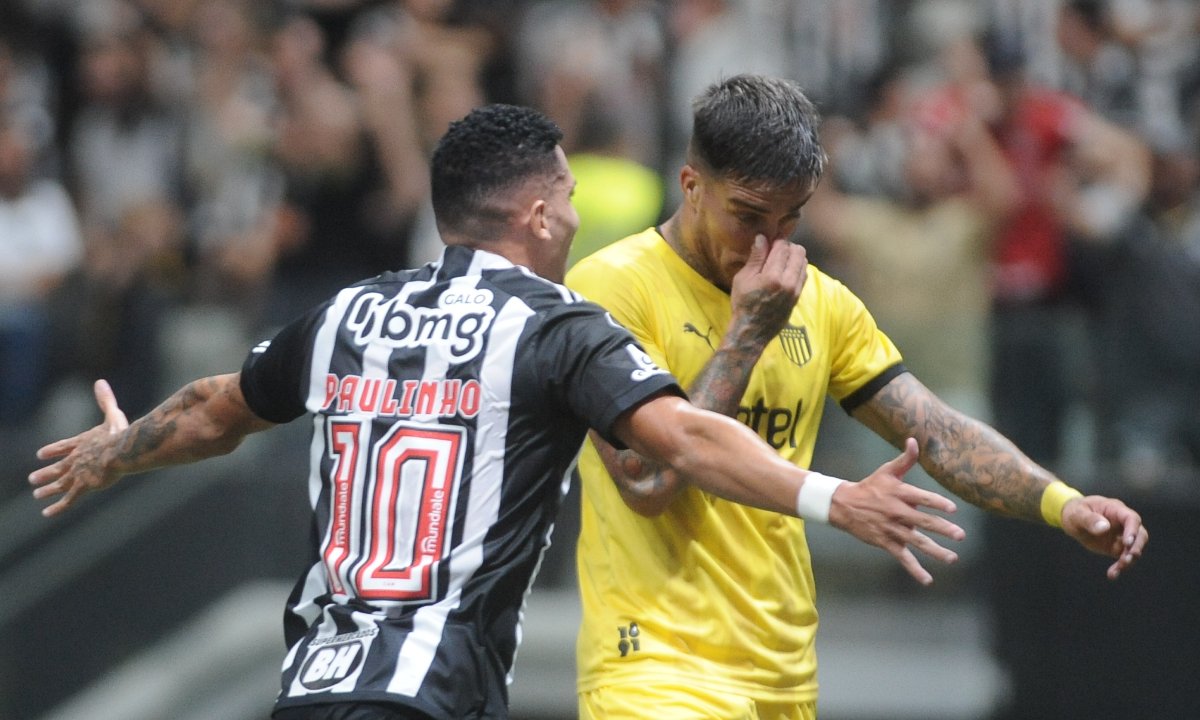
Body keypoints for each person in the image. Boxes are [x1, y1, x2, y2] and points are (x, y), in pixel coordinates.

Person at [29, 104, 969, 720]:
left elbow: (211, 408)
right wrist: (832, 499)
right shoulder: (556, 330)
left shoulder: (348, 312)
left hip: (311, 686)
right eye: (565, 194)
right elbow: (678, 436)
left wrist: (122, 451)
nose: (571, 213)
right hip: (429, 690)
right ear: (538, 215)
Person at [564, 74, 1149, 720]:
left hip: (783, 675)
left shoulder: (820, 301)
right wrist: (748, 334)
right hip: (653, 668)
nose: (769, 244)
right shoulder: (612, 288)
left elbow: (940, 432)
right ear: (691, 185)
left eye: (791, 218)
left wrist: (1063, 504)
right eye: (748, 216)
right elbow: (646, 483)